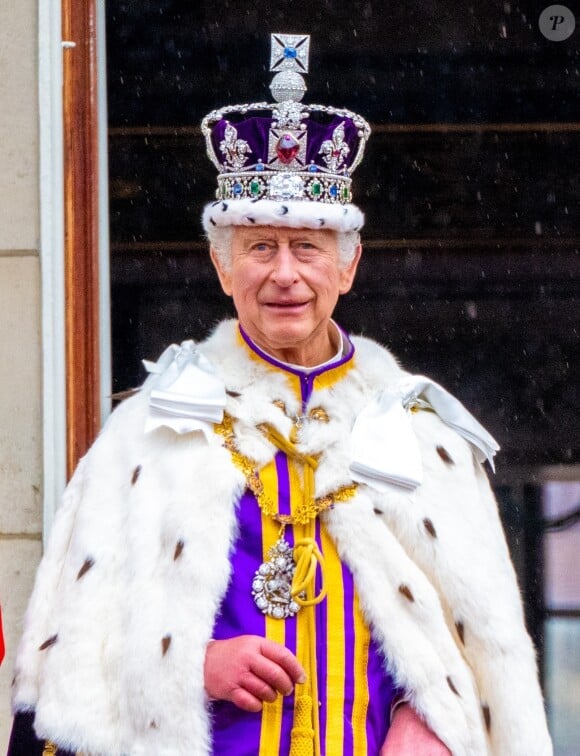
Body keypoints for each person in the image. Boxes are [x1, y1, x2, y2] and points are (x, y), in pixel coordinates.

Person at [9, 33, 552, 756]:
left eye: (308, 248)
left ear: (348, 266)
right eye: (260, 247)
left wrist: (435, 717)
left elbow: (476, 653)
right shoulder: (148, 432)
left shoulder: (423, 433)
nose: (285, 274)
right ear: (223, 267)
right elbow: (70, 662)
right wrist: (187, 666)